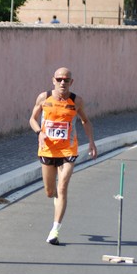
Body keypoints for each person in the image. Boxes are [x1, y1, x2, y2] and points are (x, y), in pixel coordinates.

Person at [29, 67, 98, 245]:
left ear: (71, 82)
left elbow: (85, 121)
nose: (62, 83)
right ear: (53, 80)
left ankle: (55, 230)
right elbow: (32, 119)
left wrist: (91, 142)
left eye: (66, 80)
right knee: (50, 192)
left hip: (68, 150)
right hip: (48, 150)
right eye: (59, 79)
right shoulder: (44, 97)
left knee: (62, 187)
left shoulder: (76, 101)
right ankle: (56, 203)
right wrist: (40, 133)